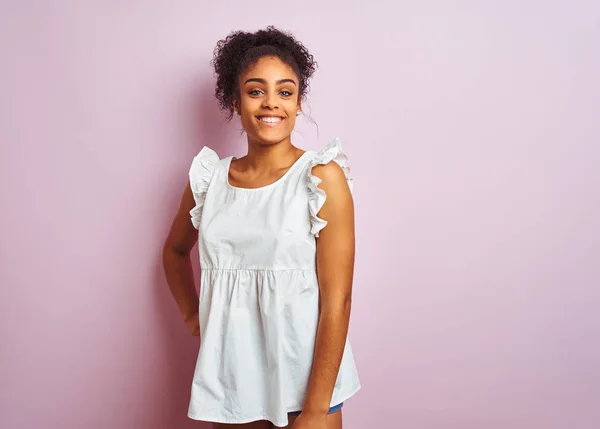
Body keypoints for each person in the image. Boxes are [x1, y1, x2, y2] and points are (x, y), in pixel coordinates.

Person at [162, 26, 360, 429]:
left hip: (308, 386)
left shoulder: (320, 177)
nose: (271, 102)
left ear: (298, 102)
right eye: (256, 91)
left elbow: (337, 300)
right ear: (235, 100)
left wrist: (317, 410)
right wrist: (191, 314)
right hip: (234, 384)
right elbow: (174, 252)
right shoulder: (209, 180)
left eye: (285, 91)